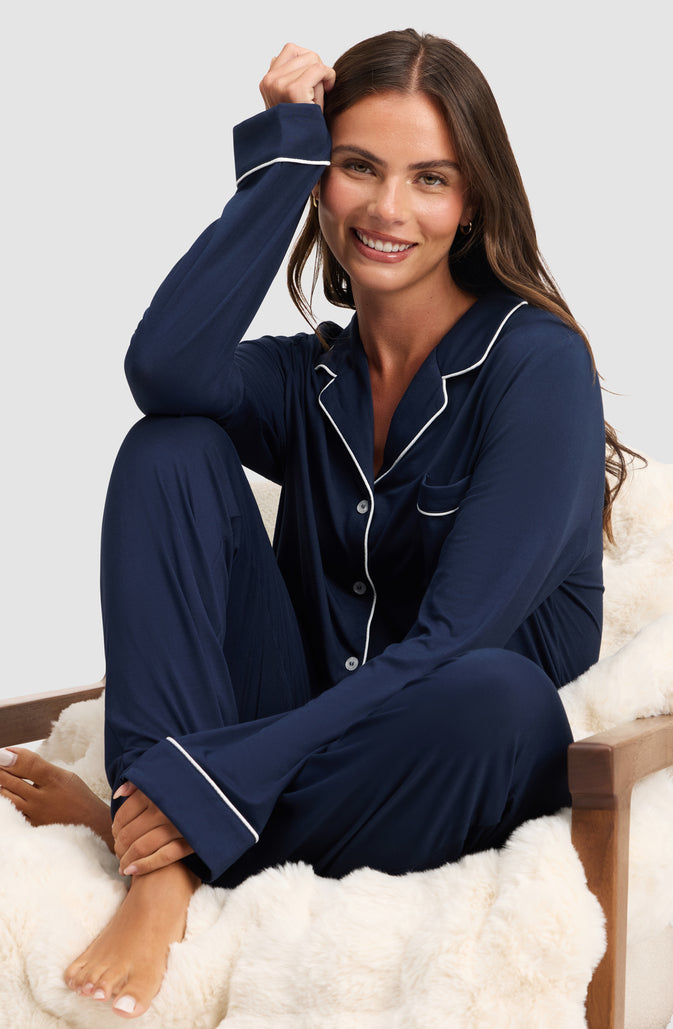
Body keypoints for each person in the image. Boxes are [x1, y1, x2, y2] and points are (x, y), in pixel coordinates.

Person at [0, 29, 634, 1020]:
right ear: (323, 184)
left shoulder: (535, 365)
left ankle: (163, 837)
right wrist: (279, 162)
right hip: (295, 729)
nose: (388, 209)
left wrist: (212, 778)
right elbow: (163, 374)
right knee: (167, 450)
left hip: (435, 749)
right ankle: (163, 847)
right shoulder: (313, 377)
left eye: (430, 179)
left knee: (501, 699)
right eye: (355, 168)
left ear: (472, 205)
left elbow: (447, 644)